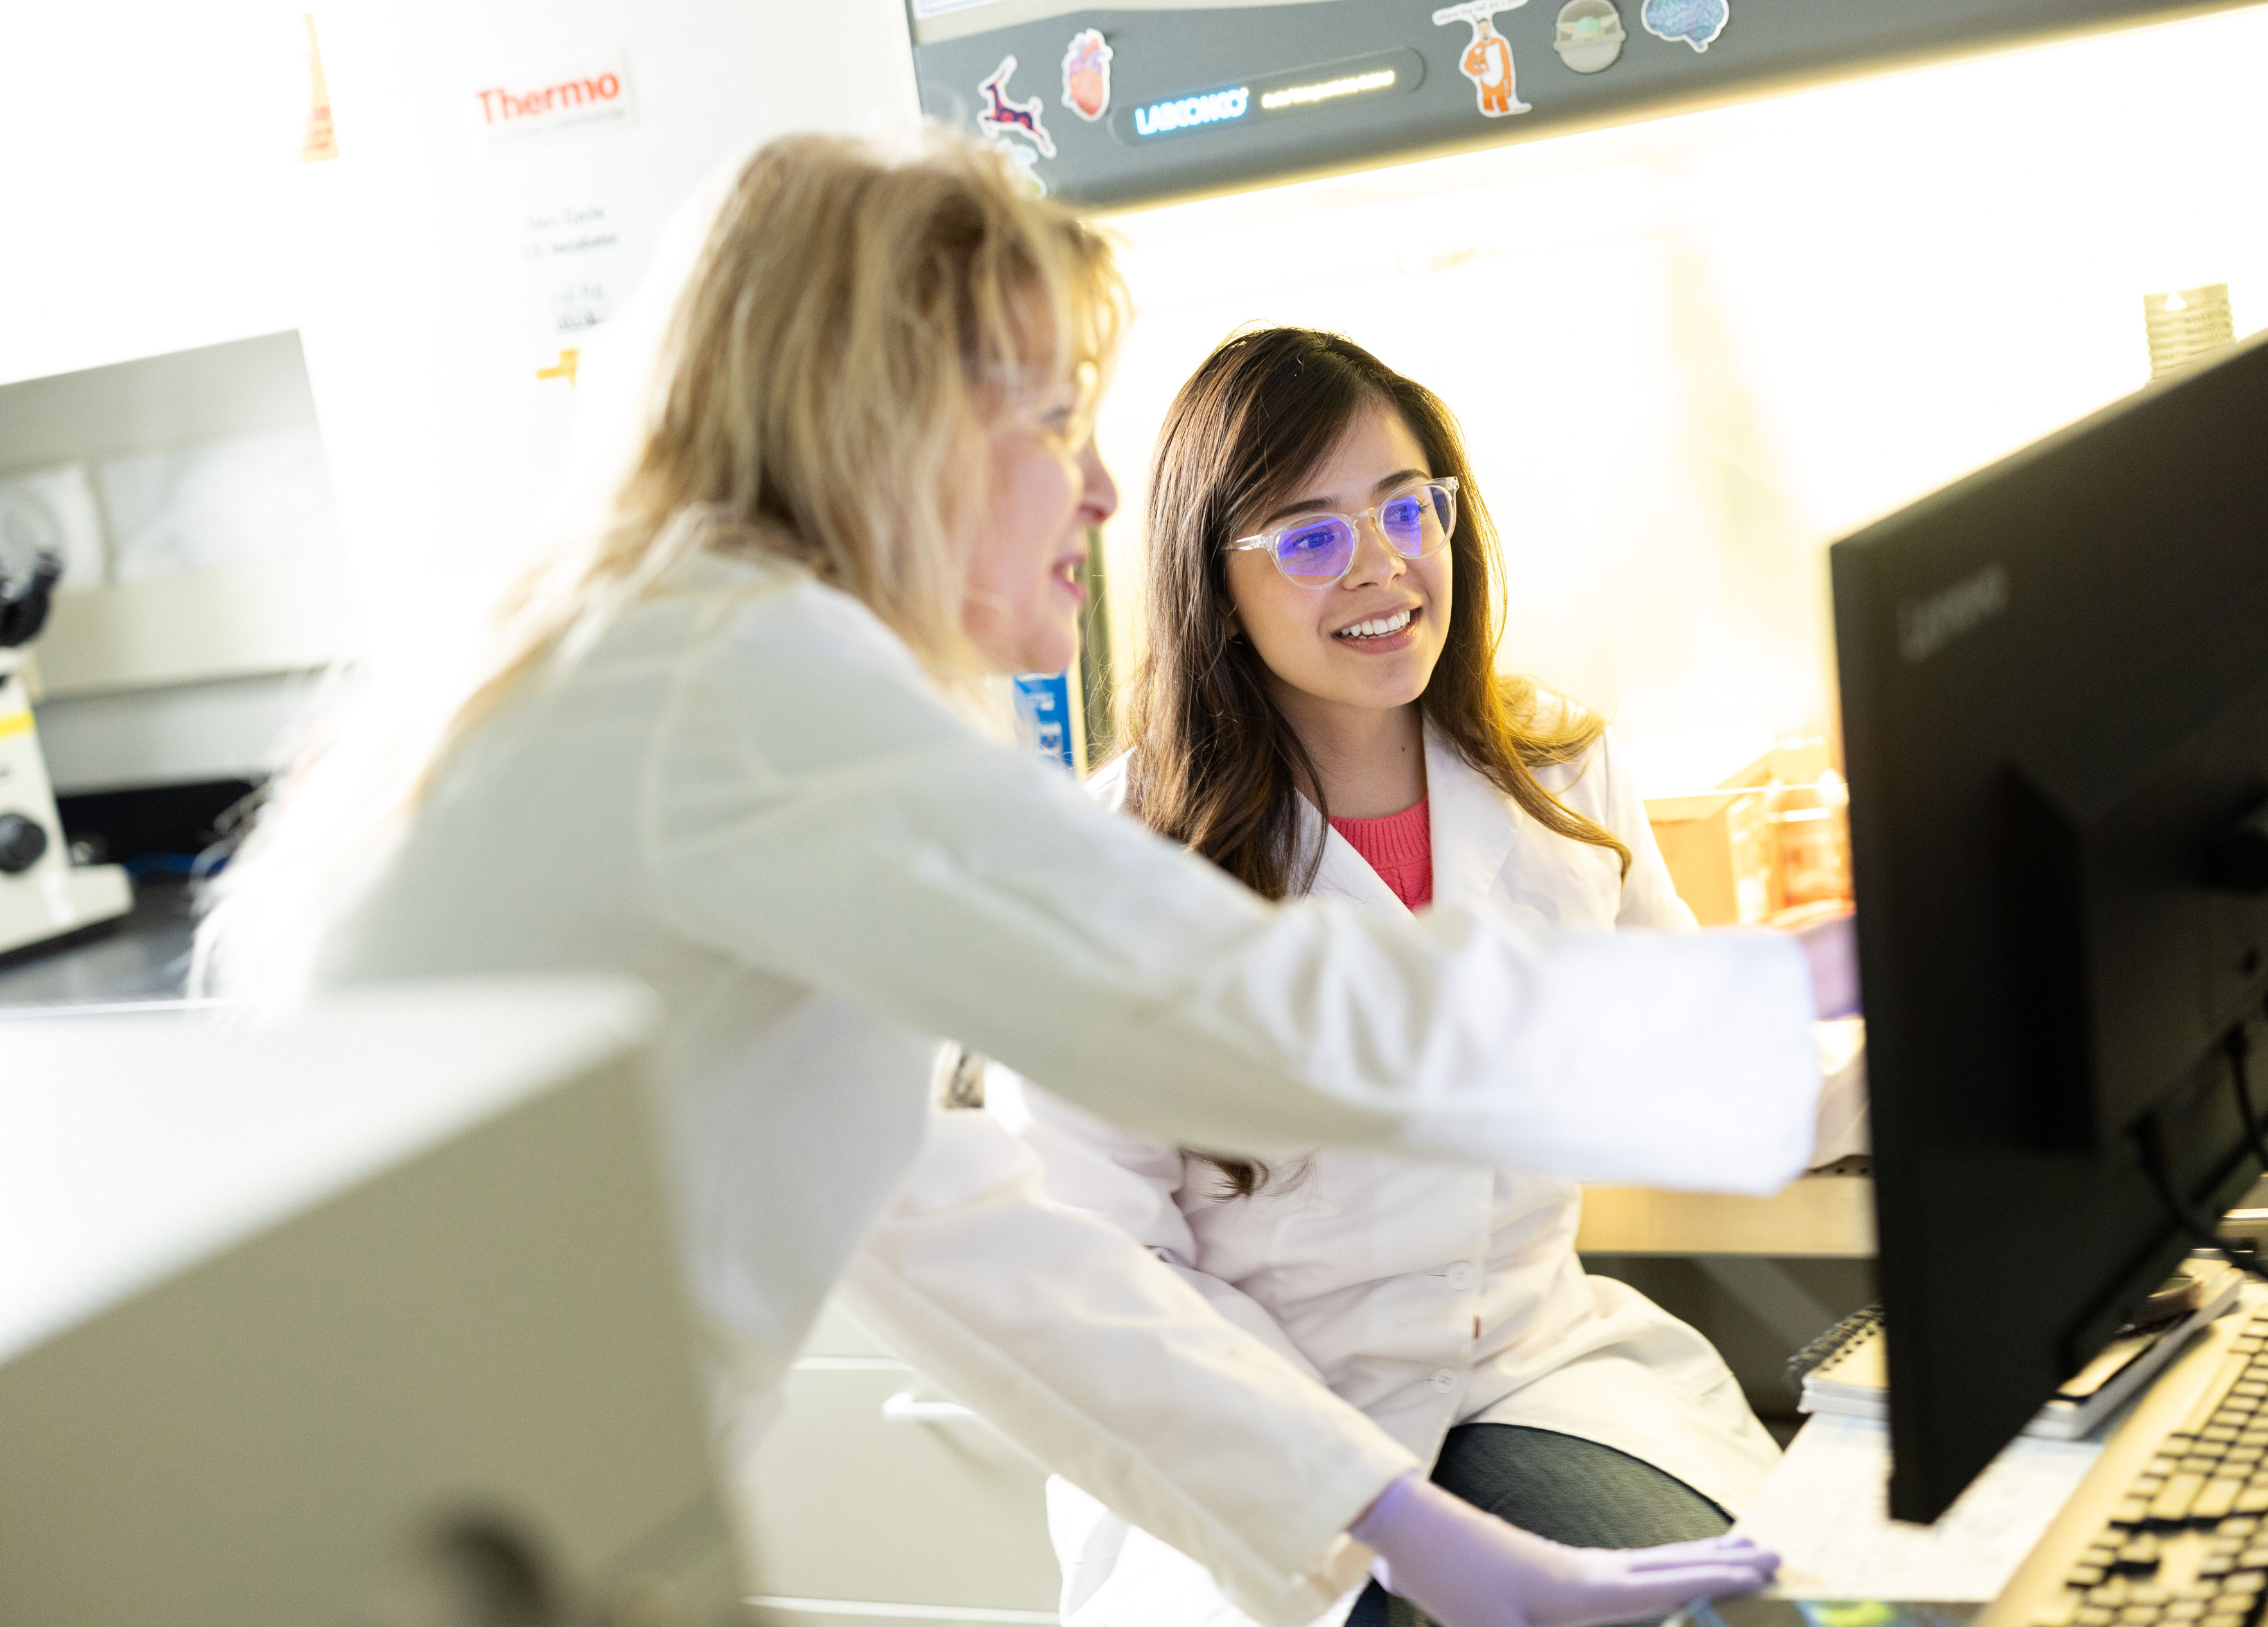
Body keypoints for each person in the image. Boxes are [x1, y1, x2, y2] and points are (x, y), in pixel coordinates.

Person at [198, 132, 1827, 1626]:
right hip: (403, 1534)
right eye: (1052, 421)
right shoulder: (746, 688)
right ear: (883, 426)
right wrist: (1823, 972)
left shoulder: (690, 671)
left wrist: (1398, 1520)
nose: (1106, 493)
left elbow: (963, 1240)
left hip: (414, 1521)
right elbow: (1231, 1009)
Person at [850, 328, 1800, 1627]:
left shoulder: (1556, 776)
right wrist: (1375, 1510)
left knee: (1734, 1614)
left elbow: (1687, 1063)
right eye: (1308, 537)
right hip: (1262, 1426)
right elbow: (1101, 1257)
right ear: (1212, 585)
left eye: (1408, 508)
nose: (1382, 562)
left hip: (1526, 1371)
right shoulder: (1112, 866)